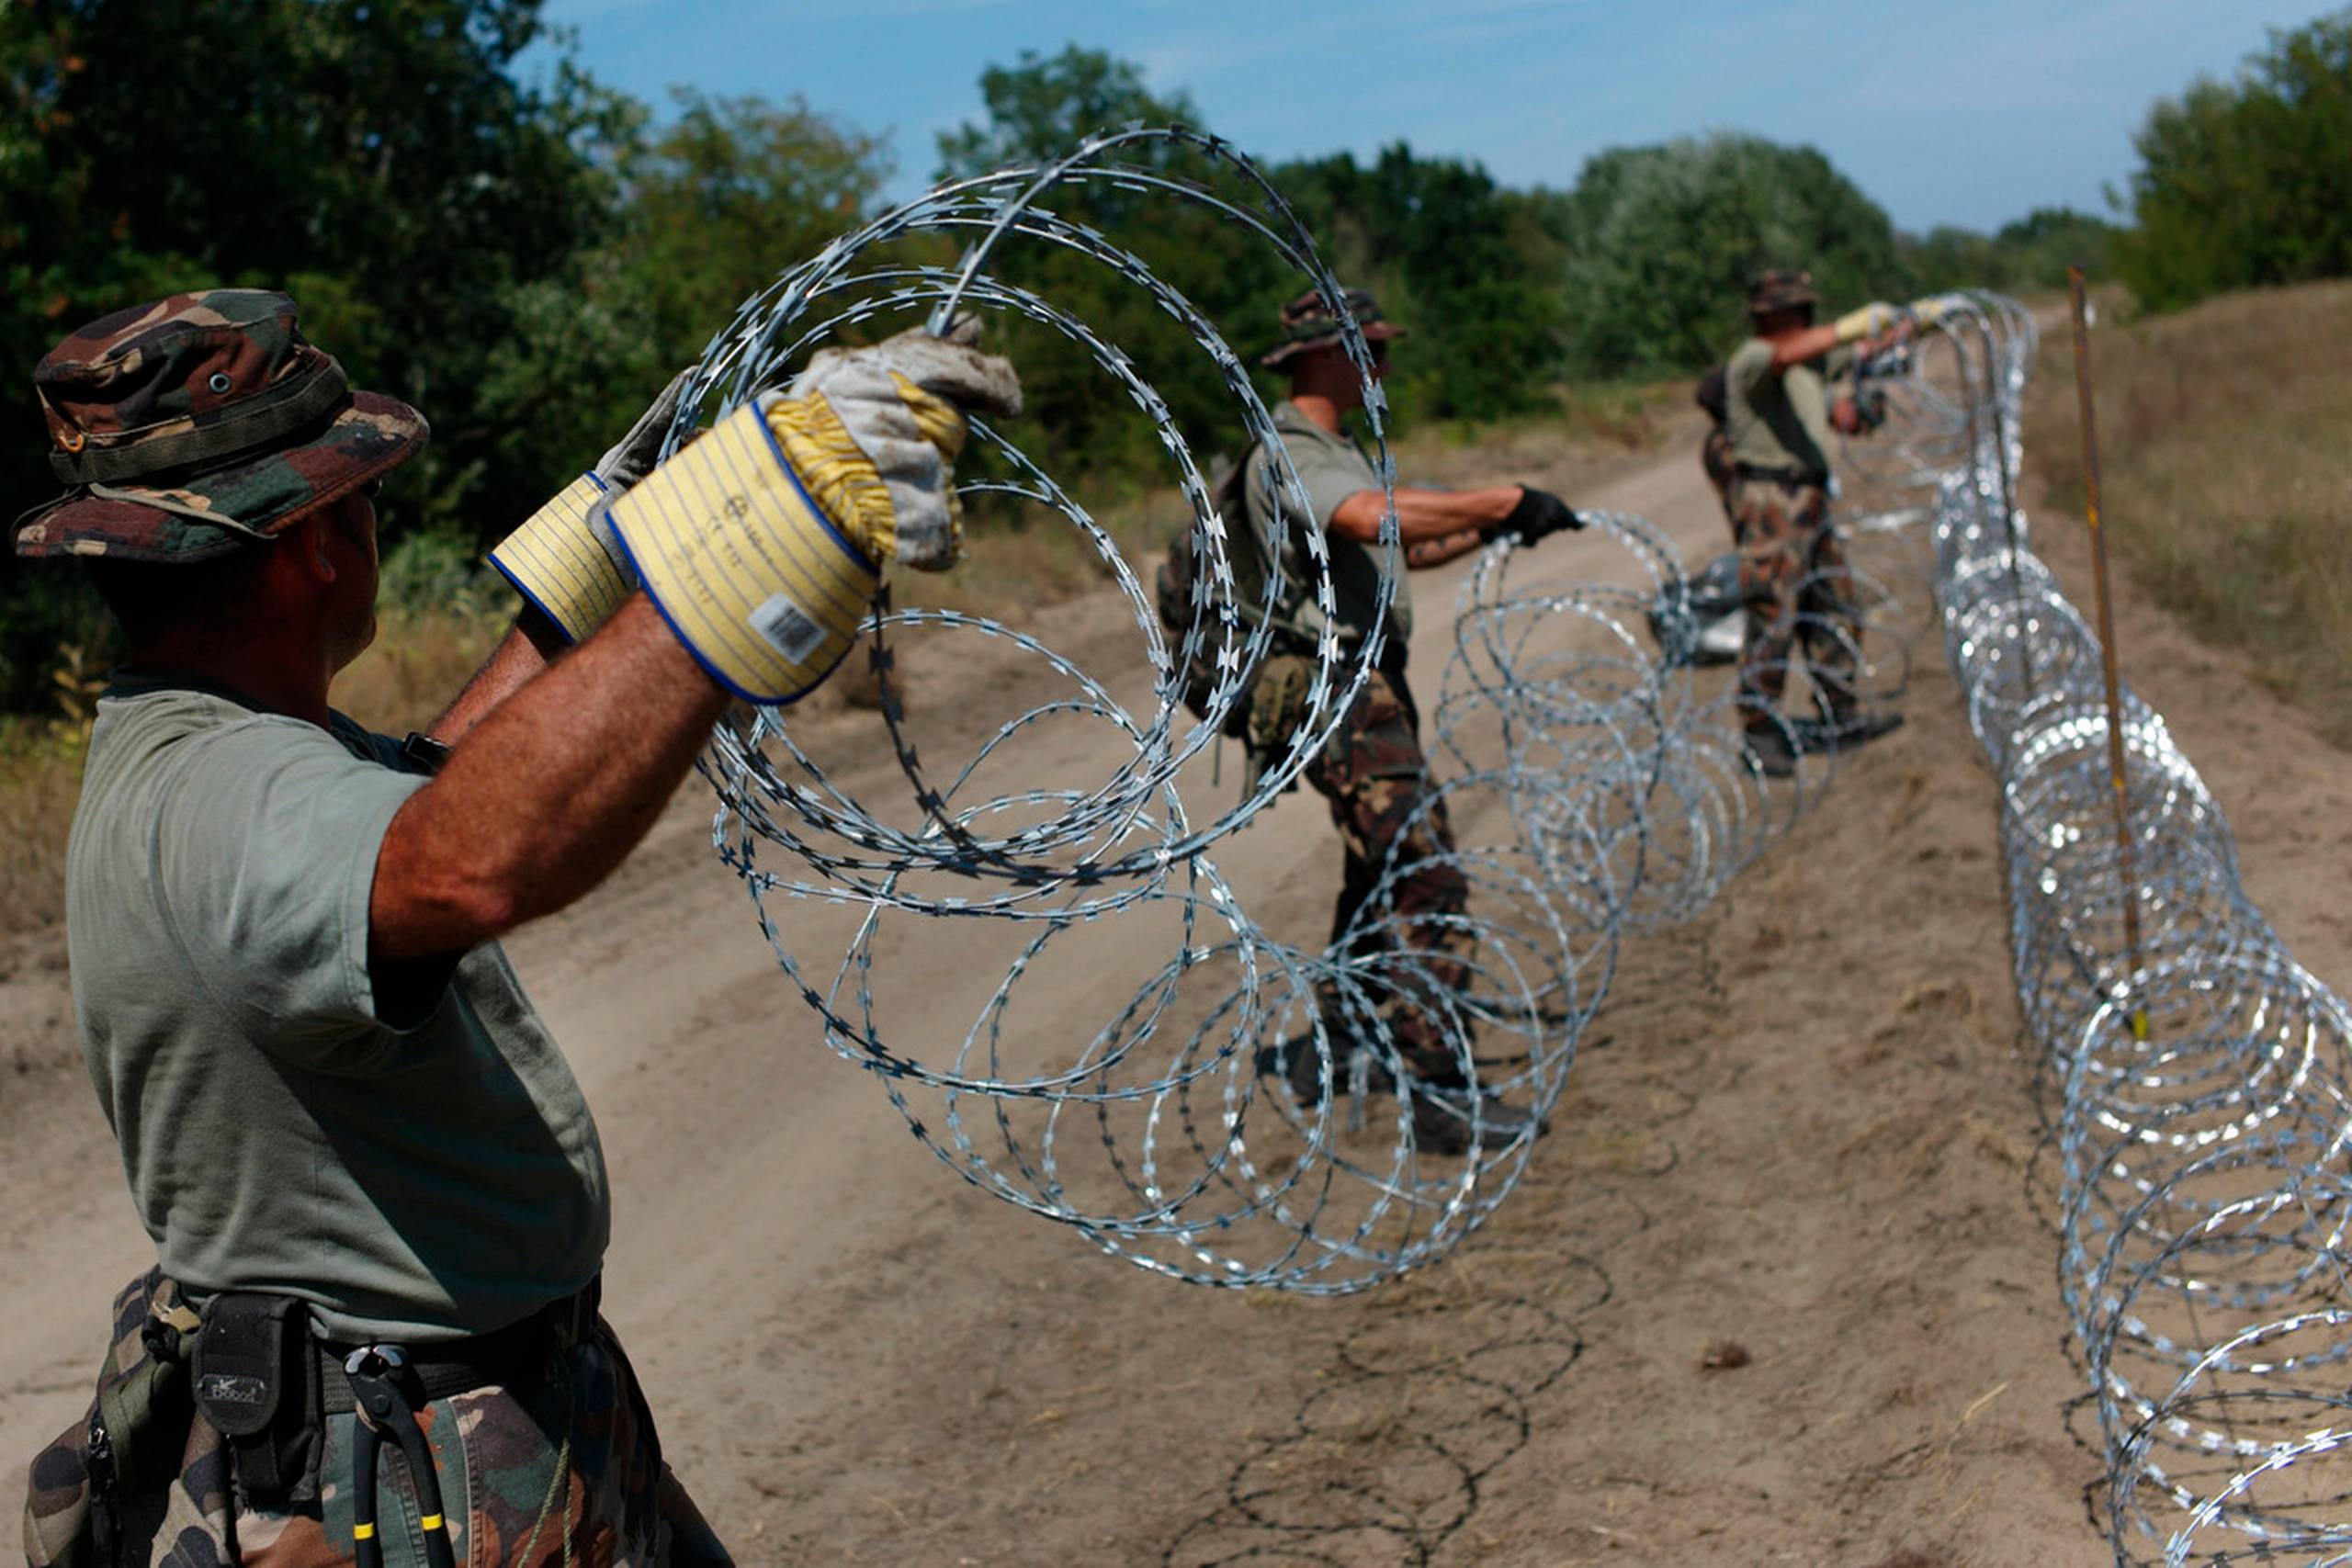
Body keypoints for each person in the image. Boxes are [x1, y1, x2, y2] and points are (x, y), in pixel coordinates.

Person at [17, 288, 1020, 1566]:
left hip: (468, 1421)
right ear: (315, 542)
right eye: (362, 497)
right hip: (403, 1473)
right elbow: (466, 857)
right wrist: (753, 559)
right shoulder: (228, 803)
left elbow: (429, 787)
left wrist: (603, 557)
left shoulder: (220, 750)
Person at [1233, 287, 1585, 1155]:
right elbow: (1367, 518)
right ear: (1322, 357)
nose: (1383, 367)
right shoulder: (1291, 452)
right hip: (1339, 692)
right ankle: (1437, 1088)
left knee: (1378, 873)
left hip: (1369, 688)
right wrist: (1500, 497)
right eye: (1370, 351)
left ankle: (1341, 1039)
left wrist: (1503, 526)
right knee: (1426, 876)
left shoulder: (1334, 449)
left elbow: (1403, 544)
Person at [1721, 268, 1913, 776]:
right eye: (1801, 310)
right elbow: (1788, 355)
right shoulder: (1755, 360)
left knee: (1834, 603)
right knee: (1772, 613)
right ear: (1776, 315)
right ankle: (1760, 732)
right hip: (1771, 501)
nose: (1809, 317)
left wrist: (1913, 325)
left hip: (1808, 498)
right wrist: (1854, 326)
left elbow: (1854, 360)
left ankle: (1839, 712)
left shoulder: (1806, 370)